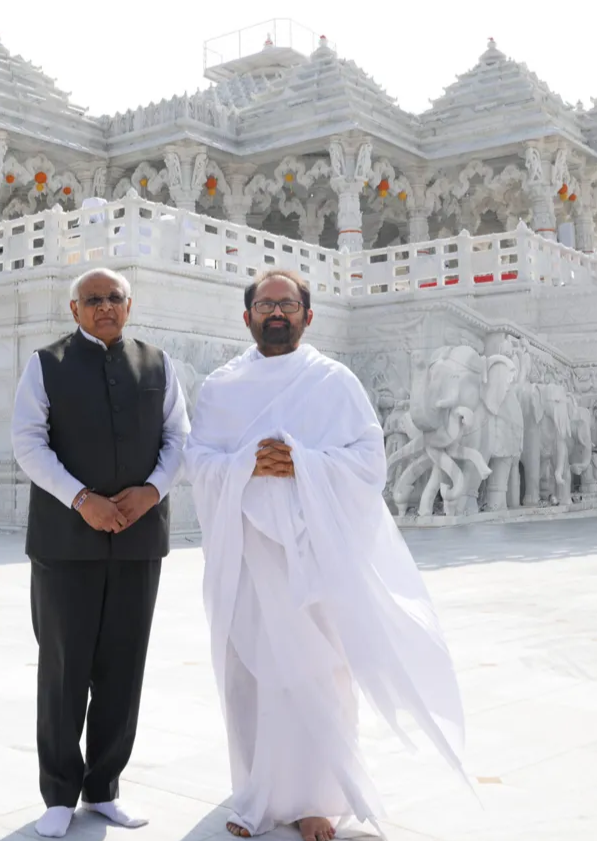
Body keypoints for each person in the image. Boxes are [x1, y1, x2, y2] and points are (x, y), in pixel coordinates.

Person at [183, 268, 468, 841]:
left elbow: (368, 462)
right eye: (265, 305)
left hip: (311, 558)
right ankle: (258, 793)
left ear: (307, 317)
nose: (276, 313)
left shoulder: (333, 382)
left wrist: (302, 463)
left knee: (317, 672)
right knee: (250, 675)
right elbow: (199, 461)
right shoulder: (220, 387)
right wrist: (246, 464)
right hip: (247, 555)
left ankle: (317, 798)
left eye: (287, 305)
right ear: (247, 317)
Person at [11, 267, 191, 838]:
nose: (105, 306)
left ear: (129, 305)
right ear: (75, 310)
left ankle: (104, 788)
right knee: (64, 670)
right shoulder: (47, 364)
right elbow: (27, 442)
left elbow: (179, 437)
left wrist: (152, 491)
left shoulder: (158, 364)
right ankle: (59, 795)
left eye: (115, 297)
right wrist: (80, 498)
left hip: (138, 540)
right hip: (66, 542)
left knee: (123, 669)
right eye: (93, 299)